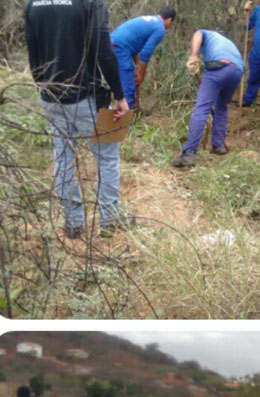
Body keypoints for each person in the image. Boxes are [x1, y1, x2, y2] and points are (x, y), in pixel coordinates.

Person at [24, 0, 134, 239]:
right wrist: (120, 95)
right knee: (106, 156)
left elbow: (33, 55)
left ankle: (73, 223)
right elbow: (104, 52)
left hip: (50, 96)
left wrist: (43, 88)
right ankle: (109, 220)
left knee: (63, 158)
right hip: (87, 96)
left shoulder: (33, 5)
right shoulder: (91, 3)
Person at [172, 30, 245, 167]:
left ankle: (189, 153)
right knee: (222, 106)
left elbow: (197, 35)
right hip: (237, 70)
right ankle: (218, 145)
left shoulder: (203, 33)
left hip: (219, 67)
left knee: (201, 109)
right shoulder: (223, 42)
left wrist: (193, 57)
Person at [111, 6, 177, 110]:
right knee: (128, 82)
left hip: (112, 43)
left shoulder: (149, 20)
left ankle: (128, 109)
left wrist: (138, 65)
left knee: (126, 79)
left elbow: (134, 47)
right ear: (169, 20)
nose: (170, 25)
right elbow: (146, 53)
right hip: (120, 47)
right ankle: (126, 117)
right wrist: (141, 73)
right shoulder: (160, 28)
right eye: (171, 23)